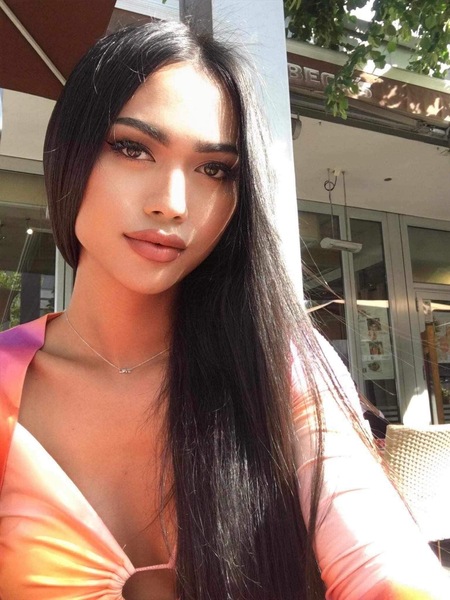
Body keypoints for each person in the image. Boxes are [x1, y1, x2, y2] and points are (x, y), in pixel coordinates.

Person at [0, 20, 448, 600]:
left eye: (213, 169)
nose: (172, 204)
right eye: (133, 148)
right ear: (68, 153)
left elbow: (383, 565)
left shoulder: (278, 363)